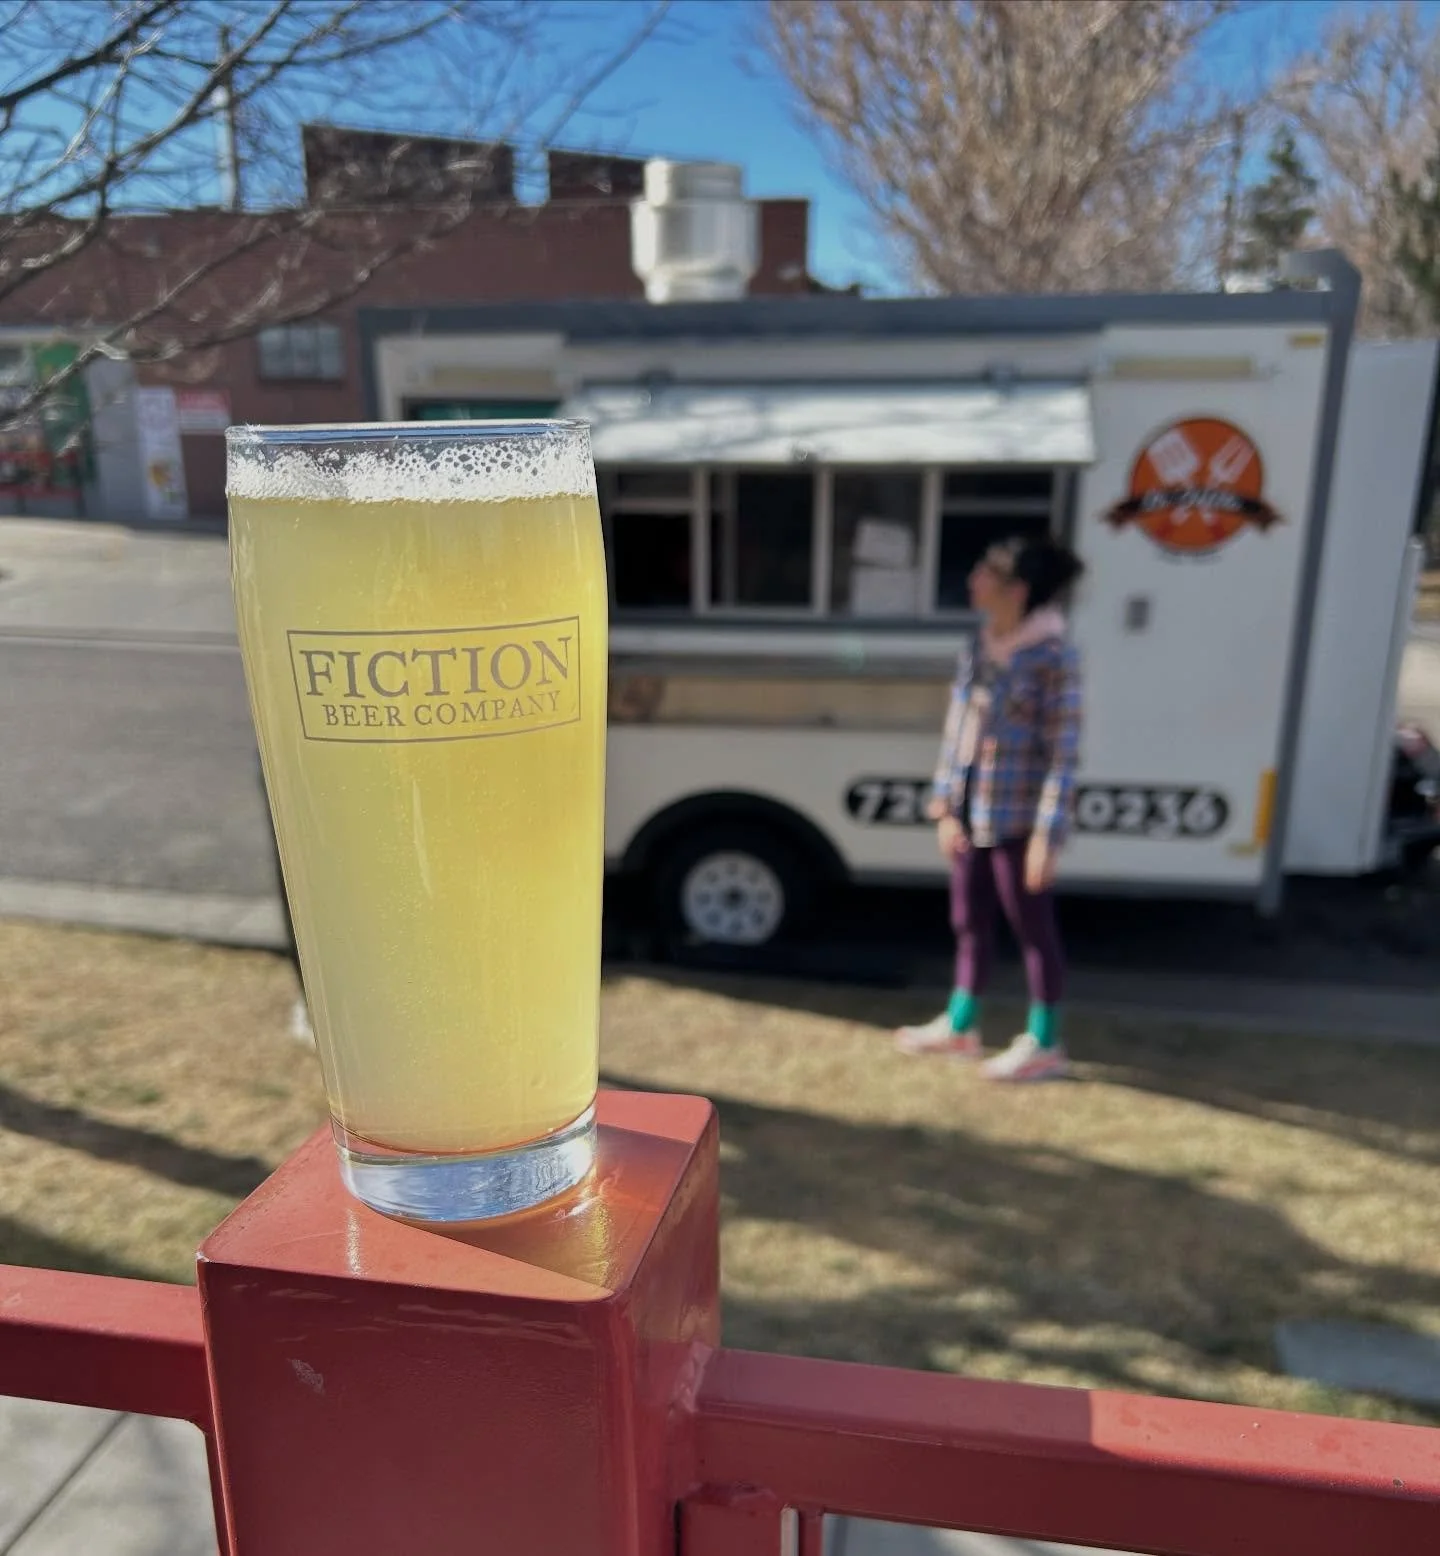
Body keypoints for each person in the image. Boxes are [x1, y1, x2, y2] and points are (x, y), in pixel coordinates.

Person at [895, 535, 1084, 1081]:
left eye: (985, 573)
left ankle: (1045, 1043)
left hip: (1020, 820)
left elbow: (1063, 753)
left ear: (1016, 591)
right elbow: (959, 734)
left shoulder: (1053, 657)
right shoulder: (979, 647)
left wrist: (1048, 835)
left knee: (1033, 929)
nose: (973, 580)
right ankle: (961, 1027)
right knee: (968, 921)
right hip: (973, 812)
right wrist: (945, 808)